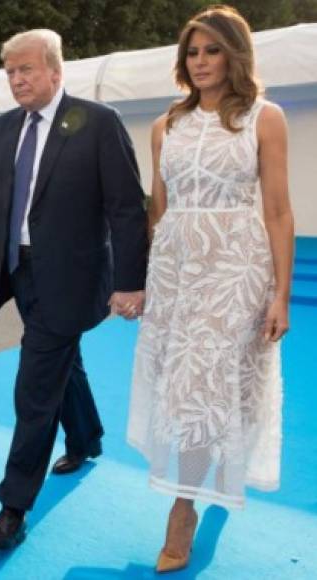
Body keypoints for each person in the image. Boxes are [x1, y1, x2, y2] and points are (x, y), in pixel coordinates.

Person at [127, 6, 293, 573]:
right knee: (188, 384)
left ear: (234, 54)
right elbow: (158, 210)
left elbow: (276, 210)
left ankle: (183, 507)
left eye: (212, 50)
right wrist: (142, 282)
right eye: (192, 52)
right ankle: (212, 480)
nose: (200, 62)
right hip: (177, 271)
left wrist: (280, 294)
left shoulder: (264, 119)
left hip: (236, 269)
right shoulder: (164, 126)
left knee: (208, 381)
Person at [0, 29, 148, 550]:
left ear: (55, 70)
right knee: (60, 359)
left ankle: (13, 506)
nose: (18, 80)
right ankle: (87, 437)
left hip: (74, 277)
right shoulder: (2, 130)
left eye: (27, 69)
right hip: (18, 271)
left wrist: (130, 282)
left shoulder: (96, 122)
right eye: (10, 73)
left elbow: (125, 207)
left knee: (35, 384)